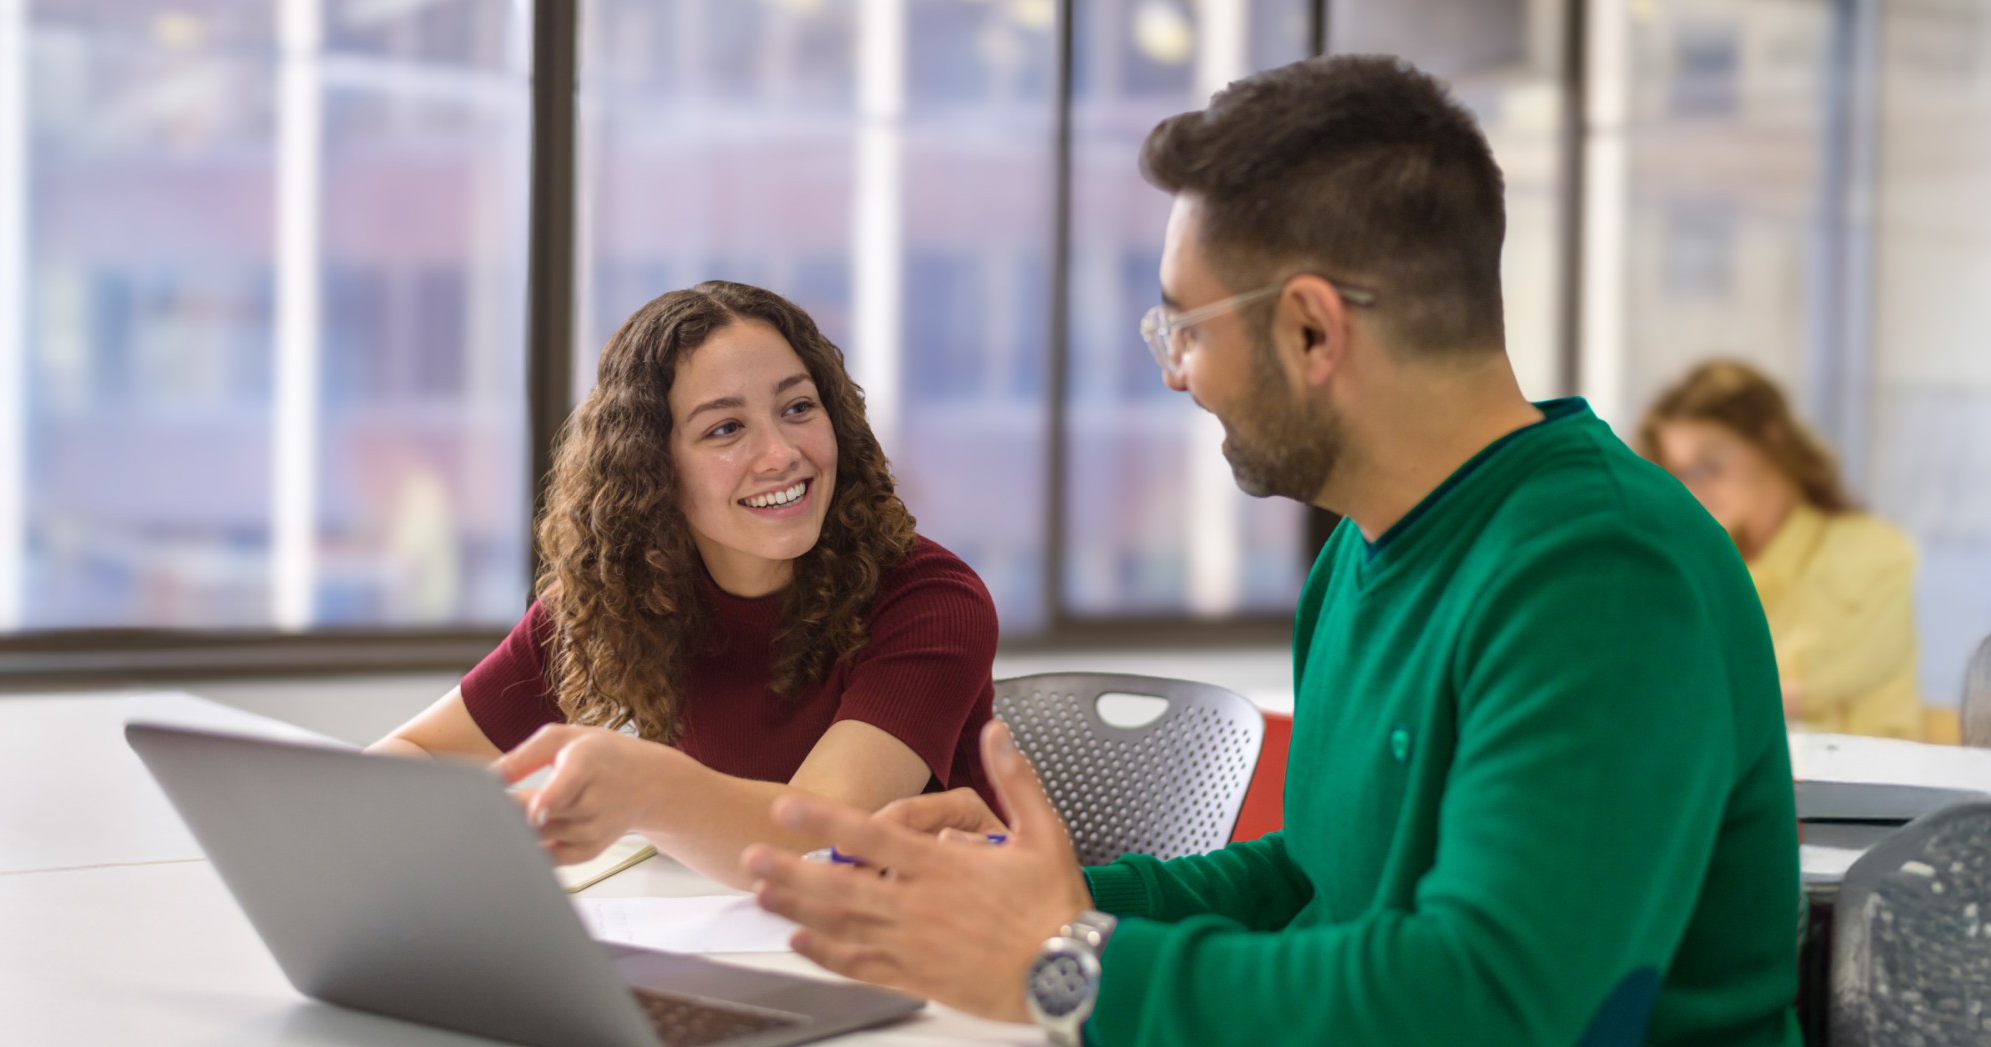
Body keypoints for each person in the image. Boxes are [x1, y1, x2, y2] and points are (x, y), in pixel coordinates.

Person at [737, 55, 1803, 1047]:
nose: (1175, 373)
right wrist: (1028, 895)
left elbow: (1487, 1000)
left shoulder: (1600, 575)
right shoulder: (1359, 555)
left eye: (1183, 327)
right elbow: (1321, 877)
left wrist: (1063, 966)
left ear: (1308, 330)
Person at [370, 281, 999, 889]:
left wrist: (645, 791)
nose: (780, 453)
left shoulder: (932, 601)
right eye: (725, 429)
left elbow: (816, 841)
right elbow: (422, 754)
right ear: (655, 470)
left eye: (798, 408)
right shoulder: (615, 596)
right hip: (749, 944)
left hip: (946, 962)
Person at [1641, 360, 1923, 739]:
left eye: (1708, 466)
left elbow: (1833, 679)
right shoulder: (1702, 564)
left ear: (1772, 439)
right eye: (1678, 472)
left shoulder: (1873, 551)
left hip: (1863, 783)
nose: (1693, 487)